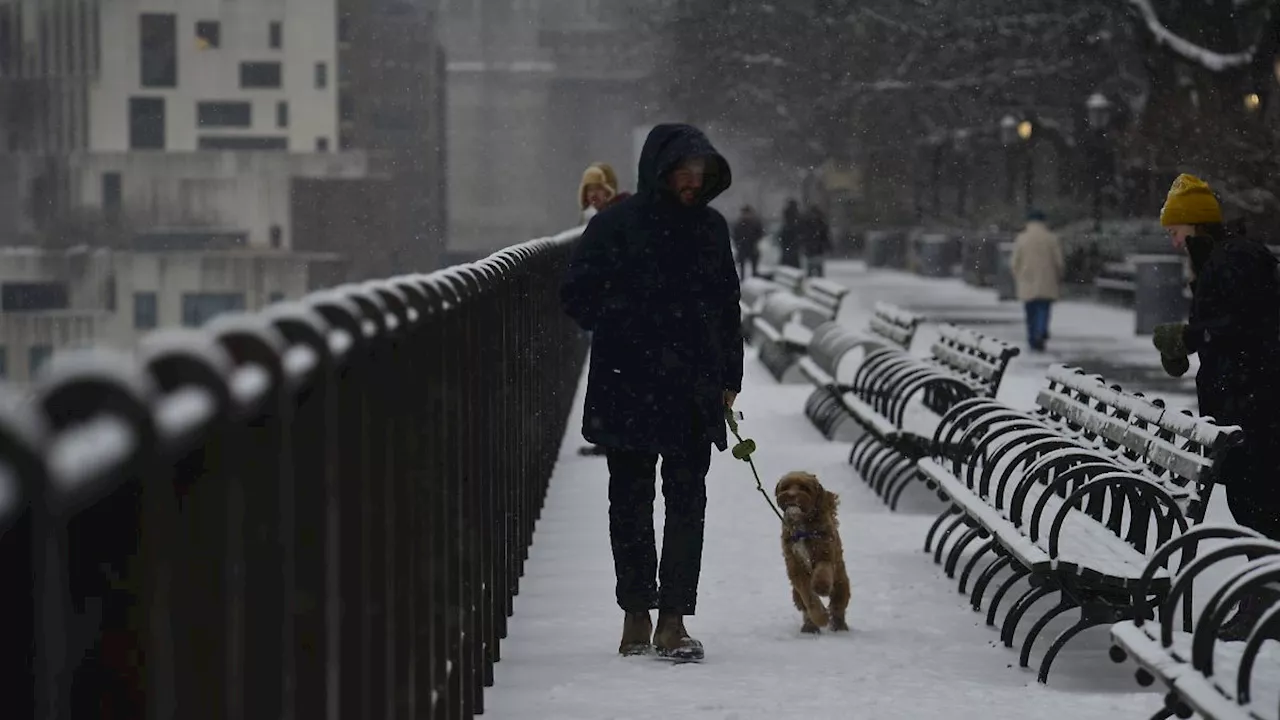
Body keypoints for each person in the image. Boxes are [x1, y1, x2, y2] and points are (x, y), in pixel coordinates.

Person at [560, 123, 741, 661]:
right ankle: (637, 615)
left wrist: (730, 377)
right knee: (632, 501)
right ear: (660, 171)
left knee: (685, 502)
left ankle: (670, 619)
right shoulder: (616, 225)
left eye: (700, 174)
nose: (693, 182)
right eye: (684, 172)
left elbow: (727, 307)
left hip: (686, 386)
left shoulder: (710, 228)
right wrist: (626, 321)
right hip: (633, 382)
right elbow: (576, 295)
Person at [1150, 174, 1280, 640]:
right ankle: (1262, 599)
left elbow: (1247, 328)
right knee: (1252, 504)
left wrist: (1191, 337)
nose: (1171, 239)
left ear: (1196, 224)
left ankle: (1264, 602)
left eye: (1175, 229)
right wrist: (1188, 345)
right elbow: (1225, 326)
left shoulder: (1234, 260)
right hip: (1242, 401)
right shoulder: (1217, 260)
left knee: (1259, 504)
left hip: (1258, 404)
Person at [576, 163, 634, 458]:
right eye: (588, 190)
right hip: (614, 311)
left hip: (619, 313)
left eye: (597, 188)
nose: (593, 195)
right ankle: (609, 437)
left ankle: (612, 437)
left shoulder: (615, 218)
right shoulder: (606, 217)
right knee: (611, 380)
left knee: (614, 380)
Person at [1010, 209, 1064, 351]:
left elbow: (1015, 262)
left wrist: (1018, 275)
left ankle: (1033, 336)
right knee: (1044, 308)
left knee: (1030, 311)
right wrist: (1058, 275)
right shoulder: (1051, 238)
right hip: (1047, 279)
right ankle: (1041, 330)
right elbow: (1059, 262)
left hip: (1027, 279)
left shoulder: (1022, 238)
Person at [732, 205, 764, 279]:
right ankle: (743, 279)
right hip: (743, 247)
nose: (746, 215)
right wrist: (739, 243)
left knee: (754, 265)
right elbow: (735, 235)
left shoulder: (755, 223)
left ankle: (754, 277)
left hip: (752, 246)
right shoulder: (739, 223)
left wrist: (754, 240)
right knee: (742, 265)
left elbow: (760, 234)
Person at [800, 204, 832, 278]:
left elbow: (825, 237)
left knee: (812, 269)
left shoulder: (807, 223)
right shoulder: (821, 223)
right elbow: (825, 237)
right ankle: (816, 282)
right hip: (816, 250)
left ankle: (814, 282)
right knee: (816, 269)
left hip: (813, 250)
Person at [778, 199, 803, 268]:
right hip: (793, 237)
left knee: (786, 257)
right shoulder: (796, 214)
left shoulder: (787, 212)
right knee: (793, 258)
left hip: (788, 236)